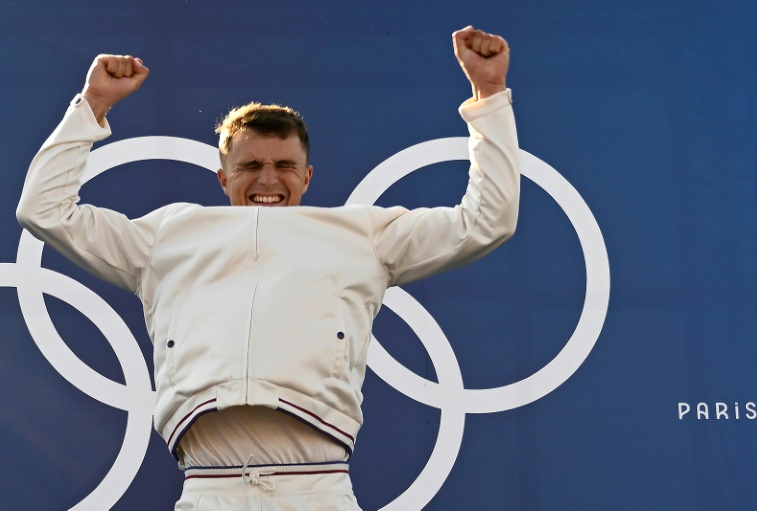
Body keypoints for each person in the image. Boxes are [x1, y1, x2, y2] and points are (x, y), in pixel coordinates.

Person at [17, 26, 520, 511]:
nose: (267, 179)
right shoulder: (165, 236)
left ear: (308, 176)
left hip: (319, 490)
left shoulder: (362, 234)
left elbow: (486, 222)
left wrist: (489, 96)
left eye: (283, 166)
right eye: (250, 165)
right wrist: (93, 105)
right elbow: (43, 211)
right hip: (206, 490)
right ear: (222, 177)